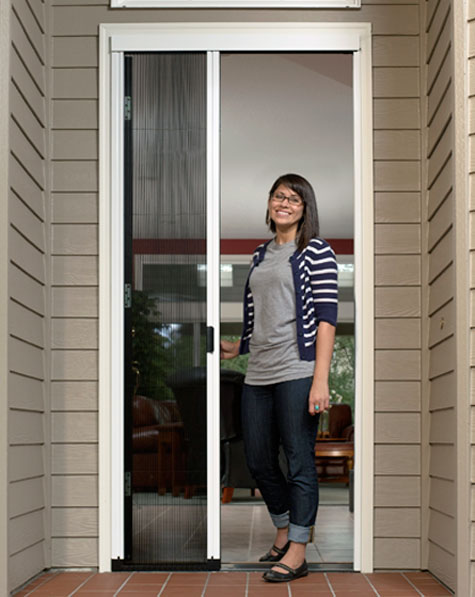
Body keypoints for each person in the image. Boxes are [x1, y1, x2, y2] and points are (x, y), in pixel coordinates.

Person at [220, 173, 338, 583]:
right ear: (269, 203)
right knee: (256, 458)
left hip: (297, 370)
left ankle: (298, 551)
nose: (283, 203)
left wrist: (320, 380)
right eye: (278, 196)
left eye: (293, 198)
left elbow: (326, 321)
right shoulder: (259, 255)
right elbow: (263, 314)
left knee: (299, 459)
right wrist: (240, 347)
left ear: (306, 209)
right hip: (259, 372)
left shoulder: (317, 252)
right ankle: (285, 528)